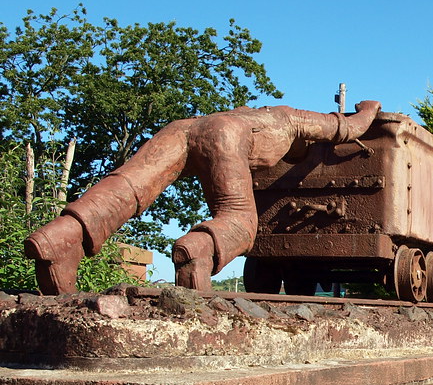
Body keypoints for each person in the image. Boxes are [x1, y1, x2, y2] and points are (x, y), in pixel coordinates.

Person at [24, 101, 382, 294]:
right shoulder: (292, 119)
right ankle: (198, 248)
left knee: (131, 186)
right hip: (228, 137)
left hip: (185, 127)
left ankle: (64, 235)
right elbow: (348, 128)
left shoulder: (249, 111)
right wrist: (368, 108)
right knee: (241, 220)